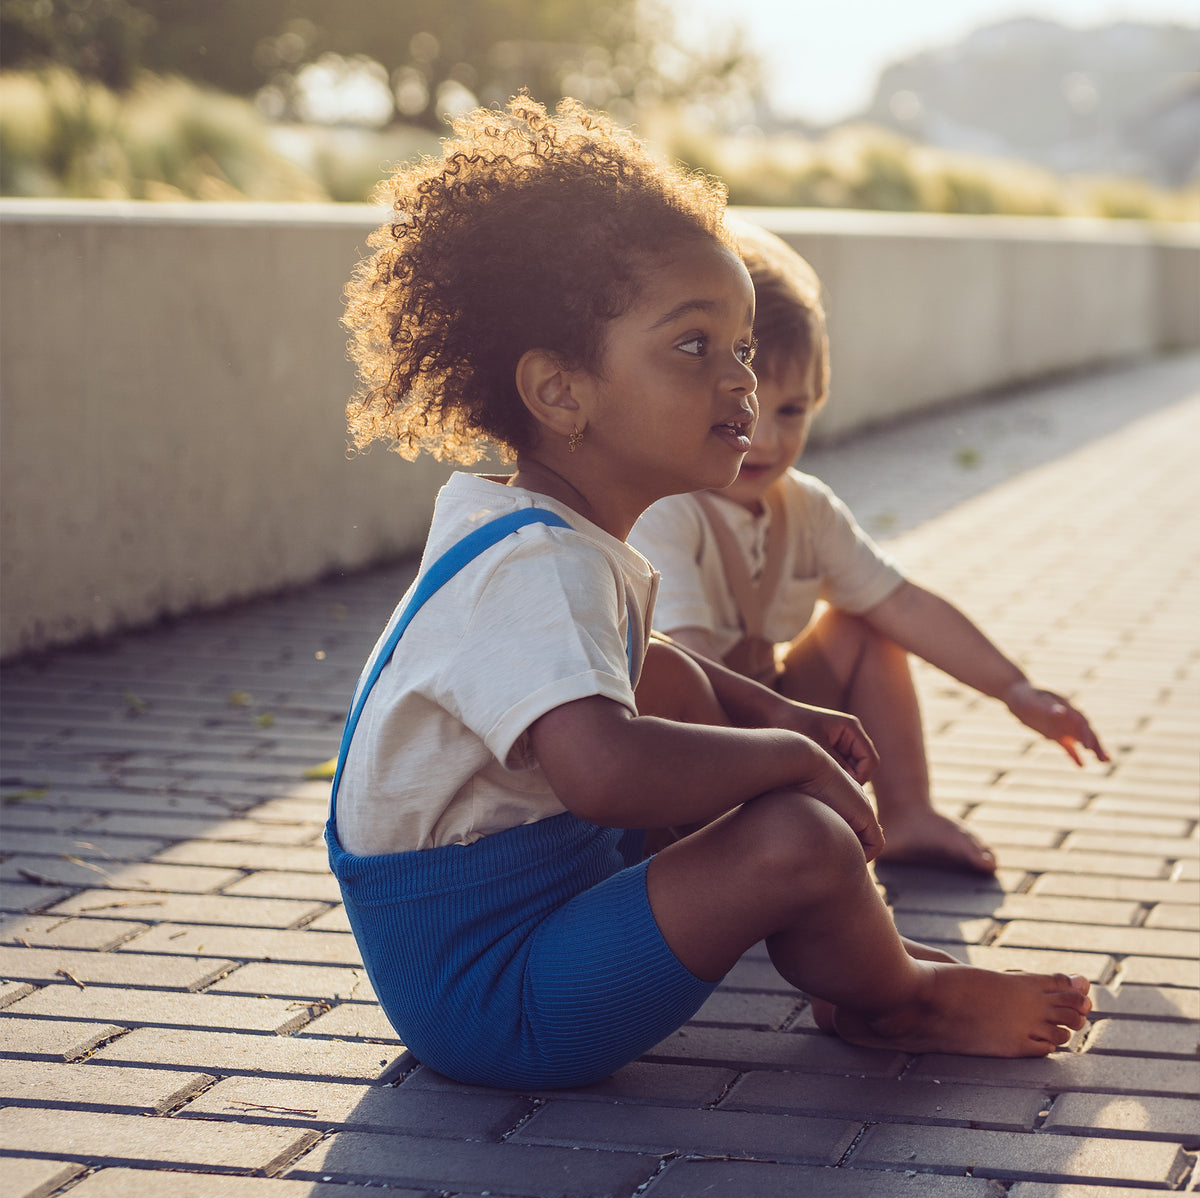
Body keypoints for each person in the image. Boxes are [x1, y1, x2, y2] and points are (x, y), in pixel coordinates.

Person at [327, 95, 1092, 1091]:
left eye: (740, 348)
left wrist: (766, 705)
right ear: (561, 392)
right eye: (695, 346)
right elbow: (602, 769)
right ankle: (897, 997)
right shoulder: (535, 565)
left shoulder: (540, 533)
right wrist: (781, 757)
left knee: (685, 697)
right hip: (497, 996)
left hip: (537, 911)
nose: (737, 380)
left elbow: (642, 669)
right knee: (796, 833)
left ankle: (850, 962)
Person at [631, 220, 1108, 876]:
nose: (763, 440)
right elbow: (691, 670)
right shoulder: (666, 508)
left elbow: (903, 603)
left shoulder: (807, 507)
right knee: (681, 681)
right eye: (741, 405)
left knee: (866, 626)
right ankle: (729, 842)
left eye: (791, 412)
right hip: (689, 752)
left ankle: (908, 811)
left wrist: (1015, 689)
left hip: (769, 724)